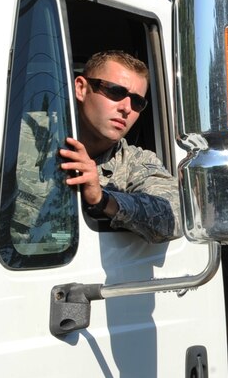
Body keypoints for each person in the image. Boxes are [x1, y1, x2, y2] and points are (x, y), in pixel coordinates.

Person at [59, 50, 181, 243]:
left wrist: (103, 199)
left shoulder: (135, 161)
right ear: (81, 88)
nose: (126, 108)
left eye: (137, 102)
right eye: (115, 91)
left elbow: (175, 215)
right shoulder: (29, 135)